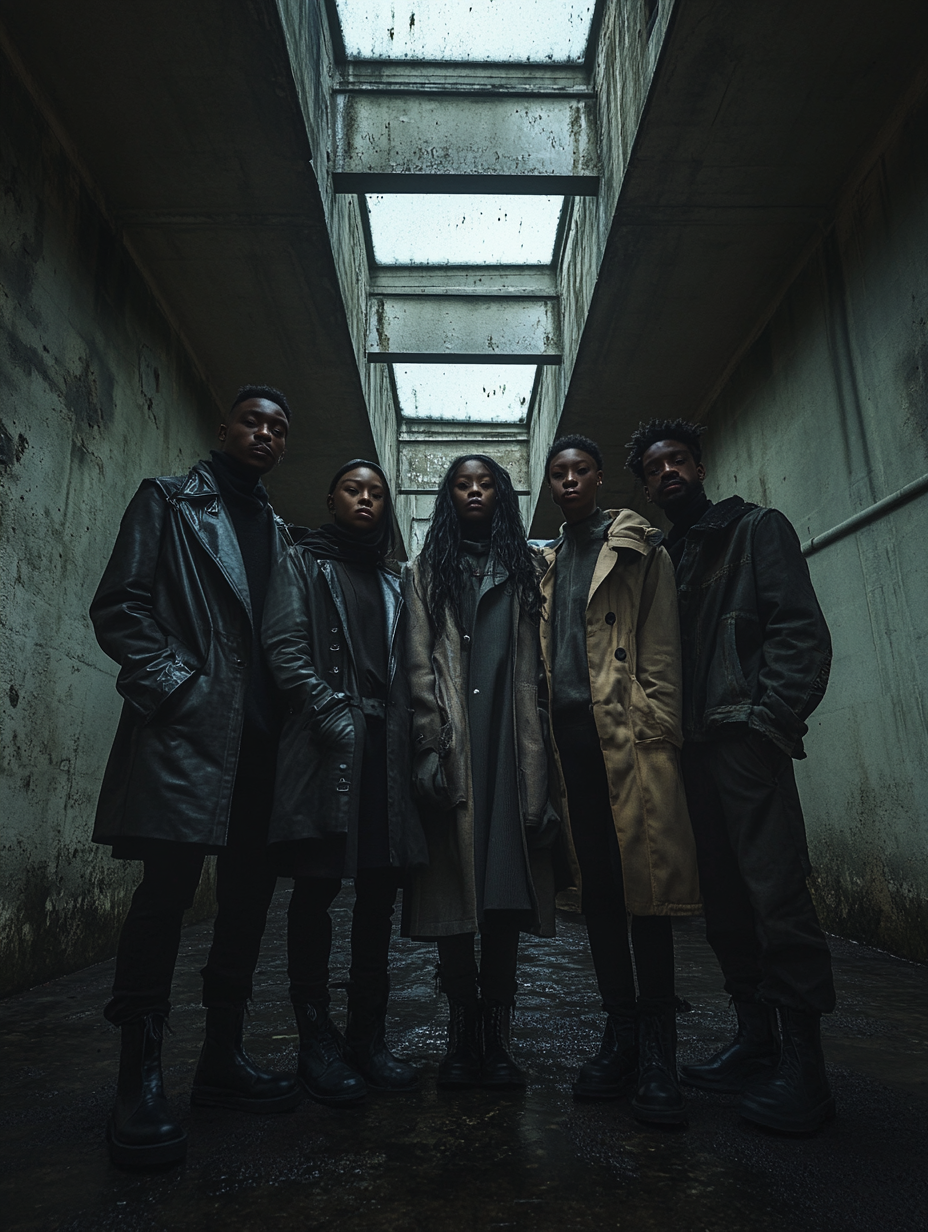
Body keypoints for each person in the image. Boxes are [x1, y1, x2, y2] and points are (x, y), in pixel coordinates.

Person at [90, 386, 302, 1171]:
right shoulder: (170, 503)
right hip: (186, 737)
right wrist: (179, 684)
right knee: (165, 898)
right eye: (253, 420)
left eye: (279, 428)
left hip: (262, 749)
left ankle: (222, 1058)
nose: (266, 434)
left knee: (247, 901)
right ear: (225, 430)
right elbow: (119, 606)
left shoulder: (280, 531)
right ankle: (138, 1078)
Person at [628, 417, 836, 1133]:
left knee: (776, 893)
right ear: (645, 484)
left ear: (699, 465)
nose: (669, 474)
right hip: (687, 752)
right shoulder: (661, 556)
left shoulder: (753, 529)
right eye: (655, 468)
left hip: (742, 740)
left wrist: (768, 720)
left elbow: (799, 631)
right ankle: (756, 1040)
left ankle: (806, 1072)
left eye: (678, 460)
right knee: (721, 900)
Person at [539, 434, 700, 1126]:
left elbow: (661, 649)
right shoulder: (544, 565)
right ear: (549, 486)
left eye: (580, 470)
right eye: (558, 474)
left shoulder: (642, 550)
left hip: (630, 741)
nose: (569, 481)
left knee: (649, 893)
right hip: (569, 744)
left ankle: (660, 1050)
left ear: (600, 479)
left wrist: (654, 725)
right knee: (599, 891)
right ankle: (621, 1032)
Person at [261, 460, 428, 1106]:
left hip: (384, 750)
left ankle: (368, 1037)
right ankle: (316, 1041)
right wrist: (333, 713)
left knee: (378, 894)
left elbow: (407, 667)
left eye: (377, 493)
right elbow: (284, 649)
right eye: (354, 489)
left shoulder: (393, 580)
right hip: (329, 743)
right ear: (331, 499)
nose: (366, 499)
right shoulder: (302, 560)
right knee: (316, 888)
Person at [403, 455, 559, 1090]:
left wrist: (544, 764)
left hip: (512, 751)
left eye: (485, 482)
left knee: (503, 894)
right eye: (462, 484)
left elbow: (544, 671)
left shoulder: (528, 570)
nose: (474, 491)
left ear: (501, 494)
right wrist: (427, 745)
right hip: (456, 750)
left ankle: (497, 1040)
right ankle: (461, 1039)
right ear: (448, 496)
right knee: (455, 901)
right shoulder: (424, 571)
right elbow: (416, 665)